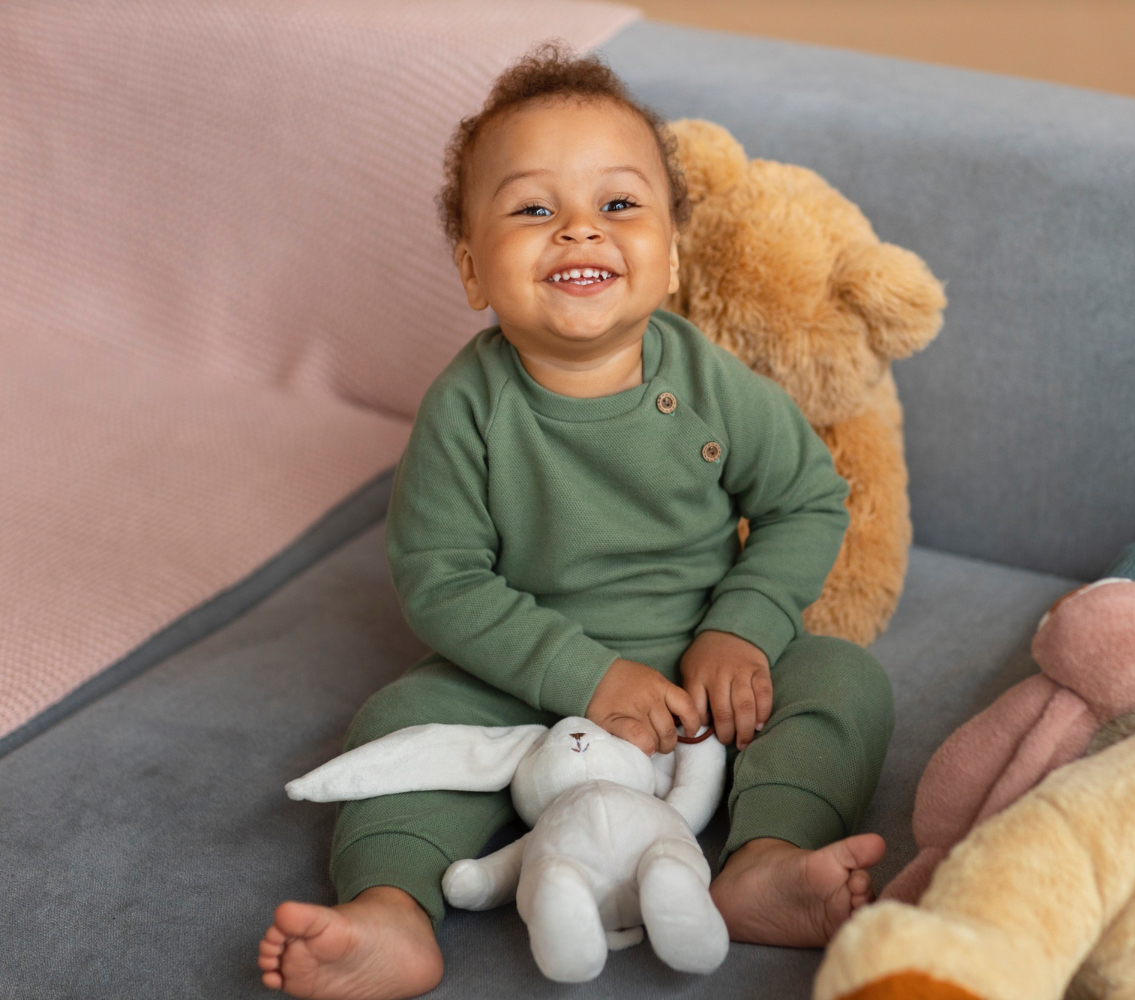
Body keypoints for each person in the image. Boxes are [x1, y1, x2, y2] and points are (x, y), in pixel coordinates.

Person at [257, 45, 893, 1000]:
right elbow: (444, 579)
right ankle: (391, 912)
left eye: (620, 205)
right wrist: (580, 675)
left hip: (698, 670)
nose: (579, 232)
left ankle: (766, 861)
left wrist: (743, 628)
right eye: (533, 210)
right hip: (525, 671)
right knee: (394, 722)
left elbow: (807, 497)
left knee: (842, 679)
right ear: (474, 269)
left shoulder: (712, 384)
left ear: (672, 256)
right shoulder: (468, 409)